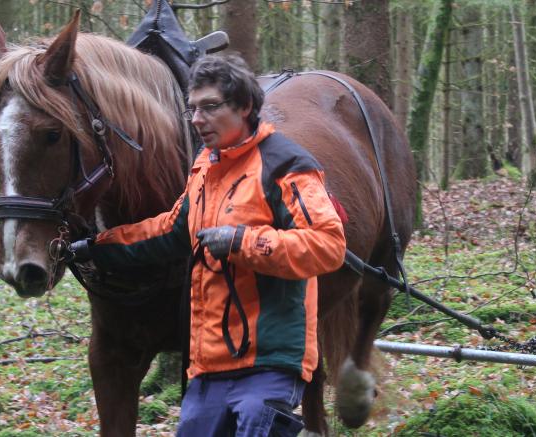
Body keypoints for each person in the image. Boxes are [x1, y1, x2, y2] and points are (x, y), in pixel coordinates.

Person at [73, 54, 346, 436]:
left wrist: (243, 241)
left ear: (245, 107)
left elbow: (327, 245)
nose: (198, 120)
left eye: (210, 107)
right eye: (192, 110)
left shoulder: (287, 165)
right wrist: (98, 246)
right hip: (209, 367)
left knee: (258, 425)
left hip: (267, 363)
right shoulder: (206, 168)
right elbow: (170, 230)